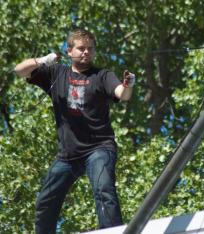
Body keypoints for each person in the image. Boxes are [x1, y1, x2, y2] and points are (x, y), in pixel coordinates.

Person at [14, 28, 134, 233]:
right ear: (69, 51)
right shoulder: (55, 73)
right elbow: (19, 70)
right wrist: (44, 59)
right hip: (68, 155)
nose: (86, 52)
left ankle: (111, 231)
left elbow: (122, 94)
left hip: (99, 148)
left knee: (103, 189)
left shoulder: (102, 75)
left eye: (90, 49)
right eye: (81, 48)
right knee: (45, 201)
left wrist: (128, 84)